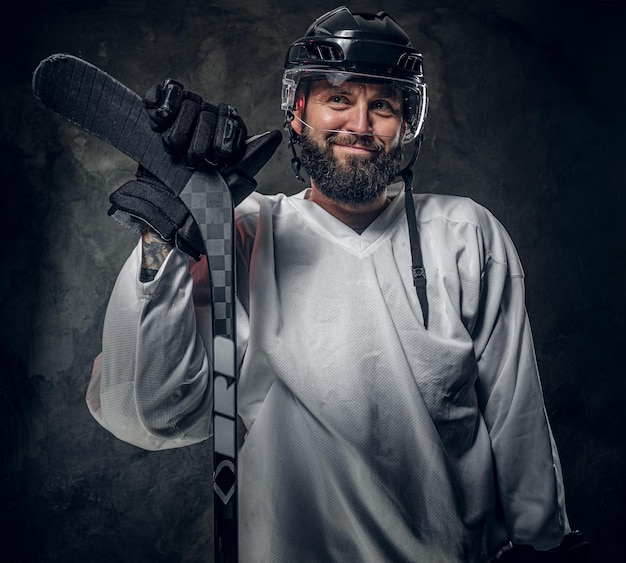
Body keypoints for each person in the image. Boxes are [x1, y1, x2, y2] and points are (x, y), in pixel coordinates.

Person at [85, 6, 589, 562]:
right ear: (299, 110)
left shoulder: (467, 236)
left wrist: (544, 544)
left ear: (407, 122)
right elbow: (149, 414)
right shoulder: (242, 230)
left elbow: (516, 420)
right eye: (339, 99)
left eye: (384, 106)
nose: (361, 124)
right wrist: (164, 239)